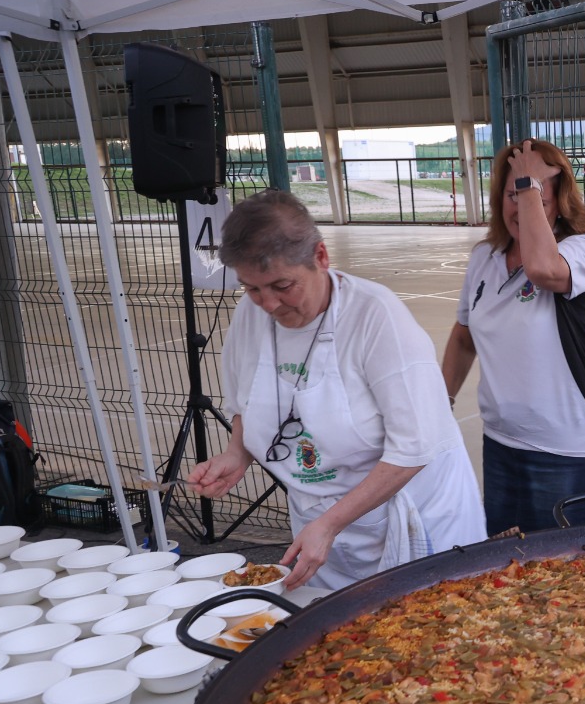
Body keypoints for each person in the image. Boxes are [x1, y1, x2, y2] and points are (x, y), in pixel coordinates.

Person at [191, 189, 485, 591]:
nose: (268, 304)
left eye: (282, 285)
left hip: (412, 516)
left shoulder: (376, 317)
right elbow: (245, 400)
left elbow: (414, 447)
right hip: (320, 522)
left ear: (321, 257)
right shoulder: (251, 315)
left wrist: (330, 524)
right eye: (252, 289)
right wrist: (237, 454)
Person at [442, 140, 585, 535]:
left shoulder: (581, 249)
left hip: (567, 453)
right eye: (511, 195)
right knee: (505, 563)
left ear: (559, 204)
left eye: (535, 196)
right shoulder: (484, 258)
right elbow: (464, 338)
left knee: (566, 571)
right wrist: (441, 402)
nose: (519, 206)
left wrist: (527, 183)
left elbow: (542, 269)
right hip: (501, 445)